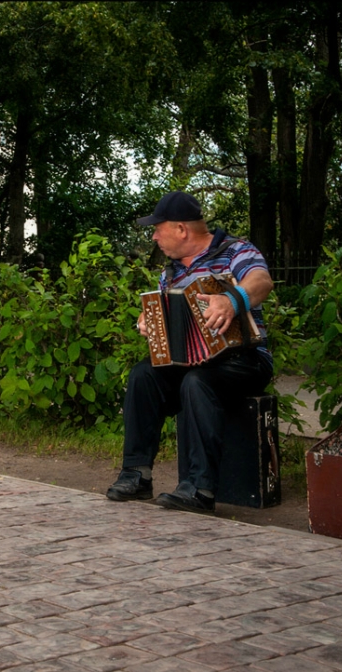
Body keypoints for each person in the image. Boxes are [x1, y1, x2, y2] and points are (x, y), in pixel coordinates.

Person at [106, 191, 274, 514]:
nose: (154, 236)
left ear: (181, 229)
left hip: (246, 361)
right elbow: (169, 327)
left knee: (197, 381)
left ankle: (200, 489)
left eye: (158, 228)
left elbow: (262, 281)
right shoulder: (170, 274)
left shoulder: (235, 251)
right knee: (143, 374)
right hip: (194, 365)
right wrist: (148, 322)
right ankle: (137, 475)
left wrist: (232, 300)